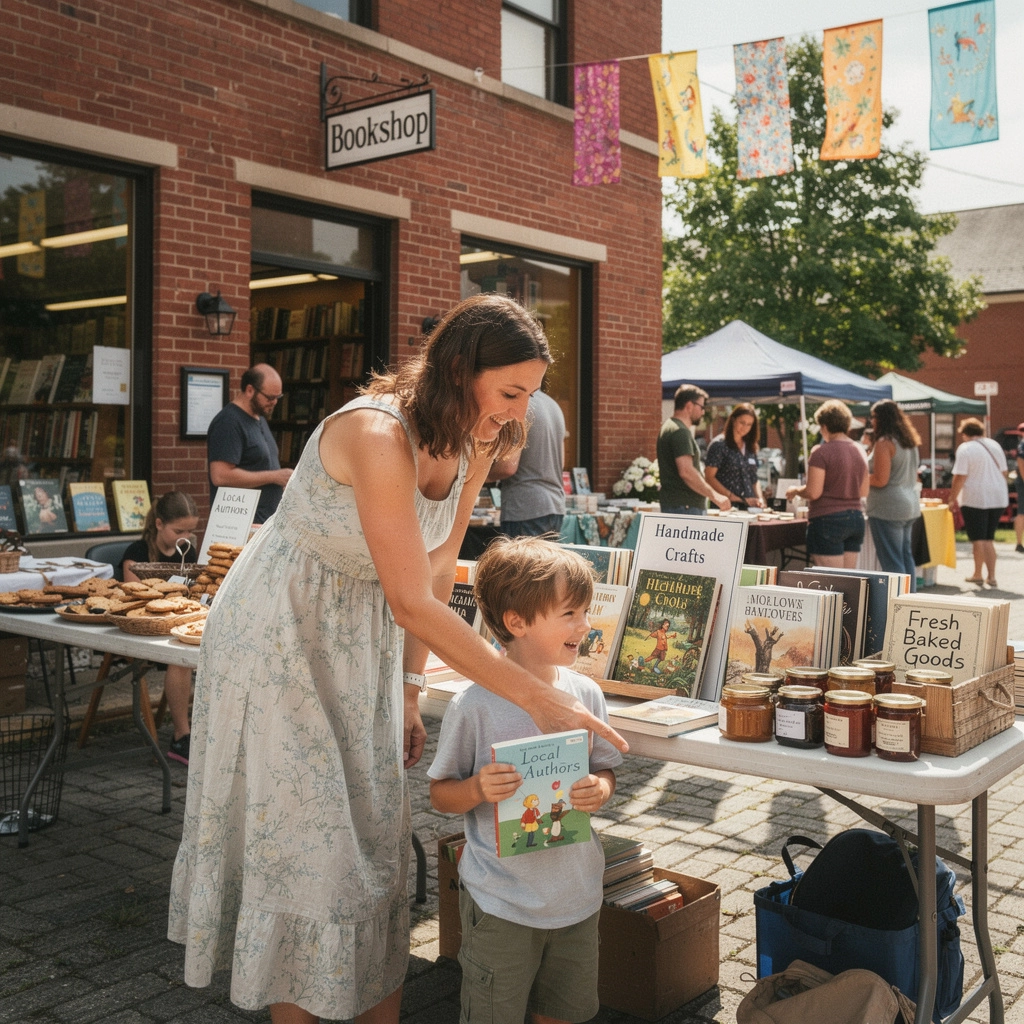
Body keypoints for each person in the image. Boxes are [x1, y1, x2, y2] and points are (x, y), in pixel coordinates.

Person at [168, 294, 626, 1024]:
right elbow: (414, 600)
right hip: (282, 633)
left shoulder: (476, 438)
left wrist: (410, 688)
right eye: (509, 393)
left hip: (366, 631)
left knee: (376, 841)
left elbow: (440, 574)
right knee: (314, 854)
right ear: (457, 369)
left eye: (531, 398)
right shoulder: (377, 434)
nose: (517, 415)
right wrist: (537, 698)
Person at [428, 537, 621, 1024]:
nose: (586, 625)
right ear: (517, 622)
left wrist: (600, 790)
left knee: (565, 1012)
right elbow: (440, 795)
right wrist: (476, 790)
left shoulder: (586, 694)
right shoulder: (473, 706)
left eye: (586, 611)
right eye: (570, 614)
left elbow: (605, 771)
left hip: (577, 898)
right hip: (502, 905)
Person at [122, 491, 200, 764]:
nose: (186, 537)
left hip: (177, 625)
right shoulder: (137, 553)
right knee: (181, 659)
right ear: (158, 524)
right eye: (179, 530)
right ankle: (181, 736)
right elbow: (134, 599)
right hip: (143, 630)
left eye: (191, 531)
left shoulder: (189, 552)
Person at [786, 400, 869, 569]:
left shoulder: (821, 452)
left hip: (827, 519)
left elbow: (813, 492)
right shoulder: (860, 450)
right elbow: (864, 490)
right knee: (849, 582)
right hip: (856, 518)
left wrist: (795, 490)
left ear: (824, 426)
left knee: (831, 582)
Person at [206, 364, 293, 524]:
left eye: (278, 398)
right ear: (250, 390)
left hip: (262, 522)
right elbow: (220, 475)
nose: (274, 402)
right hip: (240, 525)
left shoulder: (259, 418)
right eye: (269, 397)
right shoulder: (229, 422)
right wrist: (275, 476)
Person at [490, 389, 567, 537]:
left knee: (521, 561)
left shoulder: (520, 406)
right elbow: (561, 463)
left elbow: (508, 467)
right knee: (545, 560)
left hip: (524, 507)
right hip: (555, 505)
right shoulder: (553, 406)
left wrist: (477, 476)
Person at [866, 400, 922, 591]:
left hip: (887, 507)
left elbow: (881, 479)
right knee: (905, 557)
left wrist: (860, 477)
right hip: (910, 503)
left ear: (881, 418)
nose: (871, 422)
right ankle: (910, 599)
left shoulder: (884, 443)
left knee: (892, 561)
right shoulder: (909, 441)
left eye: (873, 417)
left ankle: (898, 603)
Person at [948, 417, 1008, 588]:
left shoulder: (966, 448)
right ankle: (992, 576)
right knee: (989, 538)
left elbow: (959, 477)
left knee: (978, 539)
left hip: (975, 497)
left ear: (965, 433)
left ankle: (977, 574)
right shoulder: (994, 445)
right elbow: (1004, 471)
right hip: (998, 496)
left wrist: (952, 498)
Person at [657, 384, 731, 515]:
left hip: (678, 506)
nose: (703, 412)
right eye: (701, 407)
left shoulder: (669, 427)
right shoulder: (680, 431)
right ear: (689, 406)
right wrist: (715, 496)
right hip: (685, 508)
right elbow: (686, 471)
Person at [704, 402, 765, 510]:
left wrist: (760, 498)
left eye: (749, 424)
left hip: (750, 508)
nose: (745, 427)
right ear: (733, 420)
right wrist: (731, 496)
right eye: (742, 422)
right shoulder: (719, 445)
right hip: (726, 508)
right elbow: (709, 477)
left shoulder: (751, 447)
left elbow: (754, 479)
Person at [1013, 424, 1024, 554]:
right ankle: (1019, 543)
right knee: (1021, 512)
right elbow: (1021, 463)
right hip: (1022, 482)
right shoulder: (1022, 445)